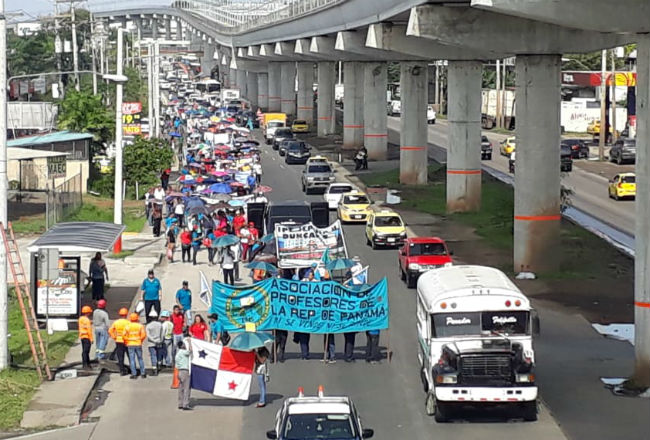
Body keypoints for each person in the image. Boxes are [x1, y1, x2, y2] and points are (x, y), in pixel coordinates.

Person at [109, 307, 130, 375]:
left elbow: (110, 330)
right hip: (127, 341)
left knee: (120, 356)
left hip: (118, 341)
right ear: (126, 314)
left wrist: (114, 337)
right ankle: (132, 369)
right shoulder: (128, 322)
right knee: (130, 355)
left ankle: (122, 370)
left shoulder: (116, 322)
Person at [125, 313, 147, 378]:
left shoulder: (127, 326)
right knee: (140, 358)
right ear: (137, 318)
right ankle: (143, 373)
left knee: (132, 359)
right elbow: (143, 335)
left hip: (130, 344)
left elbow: (124, 335)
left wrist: (127, 342)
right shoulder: (140, 326)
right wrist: (140, 341)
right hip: (138, 344)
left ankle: (134, 374)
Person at [175, 339, 192, 410]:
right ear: (182, 346)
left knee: (181, 388)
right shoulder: (183, 352)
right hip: (185, 371)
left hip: (179, 371)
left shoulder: (177, 354)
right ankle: (185, 404)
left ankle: (180, 403)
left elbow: (176, 365)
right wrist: (190, 342)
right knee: (186, 388)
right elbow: (190, 351)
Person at [79, 305, 94, 369]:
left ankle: (87, 364)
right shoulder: (87, 320)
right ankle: (85, 365)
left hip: (82, 337)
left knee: (84, 351)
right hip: (87, 337)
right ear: (88, 312)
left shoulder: (80, 319)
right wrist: (91, 339)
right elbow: (89, 330)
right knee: (86, 352)